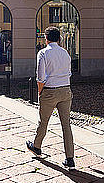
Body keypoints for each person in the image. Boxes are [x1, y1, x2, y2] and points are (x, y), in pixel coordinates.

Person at [26, 26, 75, 169]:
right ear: (59, 38)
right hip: (66, 90)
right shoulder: (65, 53)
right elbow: (69, 73)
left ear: (46, 39)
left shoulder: (43, 53)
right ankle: (70, 158)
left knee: (44, 121)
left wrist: (40, 92)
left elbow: (40, 77)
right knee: (66, 125)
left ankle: (37, 146)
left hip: (50, 90)